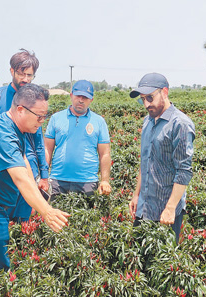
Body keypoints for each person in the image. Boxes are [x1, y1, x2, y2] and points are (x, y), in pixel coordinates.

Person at [0, 84, 70, 278]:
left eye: (44, 116)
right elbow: (20, 177)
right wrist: (47, 212)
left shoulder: (16, 128)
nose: (41, 121)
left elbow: (25, 163)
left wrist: (39, 196)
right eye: (39, 116)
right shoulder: (3, 132)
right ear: (20, 109)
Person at [128, 73, 195, 243]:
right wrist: (136, 195)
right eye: (142, 99)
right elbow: (146, 162)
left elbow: (184, 171)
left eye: (150, 97)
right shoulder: (147, 121)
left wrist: (170, 208)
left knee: (163, 264)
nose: (146, 104)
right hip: (144, 207)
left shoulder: (180, 124)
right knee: (140, 259)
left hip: (166, 211)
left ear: (164, 92)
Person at [0, 49, 49, 221]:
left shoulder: (36, 98)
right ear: (12, 71)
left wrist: (44, 174)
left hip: (30, 167)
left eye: (30, 75)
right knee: (2, 217)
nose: (25, 80)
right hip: (4, 166)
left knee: (24, 220)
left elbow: (38, 140)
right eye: (22, 74)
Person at [44, 80, 112, 198]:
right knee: (53, 213)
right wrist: (44, 177)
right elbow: (47, 149)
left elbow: (105, 153)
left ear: (91, 99)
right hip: (57, 181)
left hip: (88, 182)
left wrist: (104, 180)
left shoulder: (99, 121)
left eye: (85, 97)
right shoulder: (56, 118)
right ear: (71, 96)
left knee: (86, 214)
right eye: (78, 96)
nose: (81, 100)